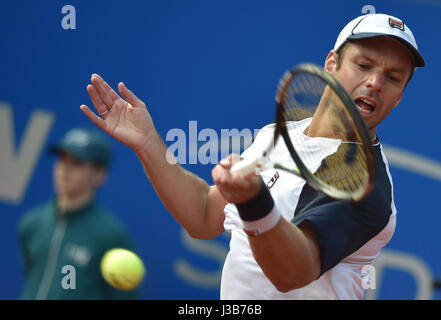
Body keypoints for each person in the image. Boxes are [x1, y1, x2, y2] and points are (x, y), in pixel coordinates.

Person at [80, 13, 425, 299]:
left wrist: (255, 203)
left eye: (393, 78)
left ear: (398, 98)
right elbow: (203, 215)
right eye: (364, 65)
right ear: (331, 64)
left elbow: (293, 272)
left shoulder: (364, 183)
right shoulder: (278, 135)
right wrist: (148, 143)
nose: (375, 83)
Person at [18, 127, 138, 299]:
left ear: (100, 175)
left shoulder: (112, 235)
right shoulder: (30, 223)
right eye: (62, 160)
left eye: (77, 162)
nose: (64, 169)